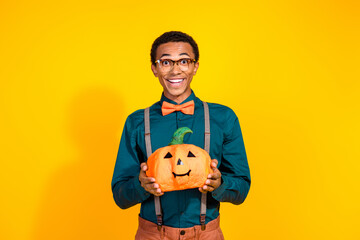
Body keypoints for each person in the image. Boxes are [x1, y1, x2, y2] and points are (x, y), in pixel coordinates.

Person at [111, 31, 251, 240]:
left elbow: (242, 188)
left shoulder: (223, 118)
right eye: (166, 62)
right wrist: (141, 185)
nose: (176, 70)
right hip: (152, 235)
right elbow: (120, 196)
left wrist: (220, 185)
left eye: (184, 61)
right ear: (155, 68)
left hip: (207, 235)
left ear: (195, 66)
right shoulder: (137, 122)